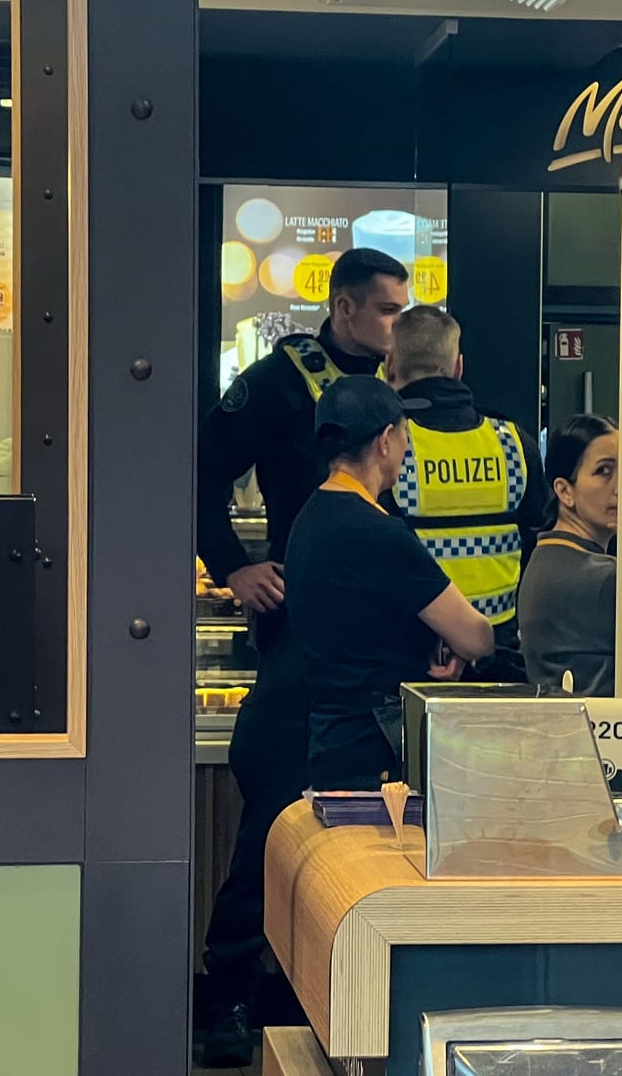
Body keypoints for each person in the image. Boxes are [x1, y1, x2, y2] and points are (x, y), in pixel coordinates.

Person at [193, 248, 411, 1066]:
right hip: (308, 636)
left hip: (387, 641)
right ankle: (230, 989)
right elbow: (200, 471)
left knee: (363, 822)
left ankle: (320, 986)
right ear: (346, 308)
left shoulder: (402, 398)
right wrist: (234, 564)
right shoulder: (281, 381)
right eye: (386, 310)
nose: (396, 325)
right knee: (283, 808)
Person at [285, 376, 496, 790]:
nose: (407, 446)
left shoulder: (309, 520)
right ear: (385, 440)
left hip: (331, 745)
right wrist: (453, 640)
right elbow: (476, 638)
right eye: (404, 433)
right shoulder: (378, 532)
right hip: (379, 758)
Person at [384, 305, 548, 682]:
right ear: (458, 366)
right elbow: (537, 538)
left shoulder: (388, 446)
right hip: (499, 654)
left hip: (413, 655)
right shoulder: (512, 442)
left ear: (390, 365)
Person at [518, 414, 620, 697]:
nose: (621, 486)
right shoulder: (603, 578)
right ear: (564, 491)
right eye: (604, 471)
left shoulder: (545, 556)